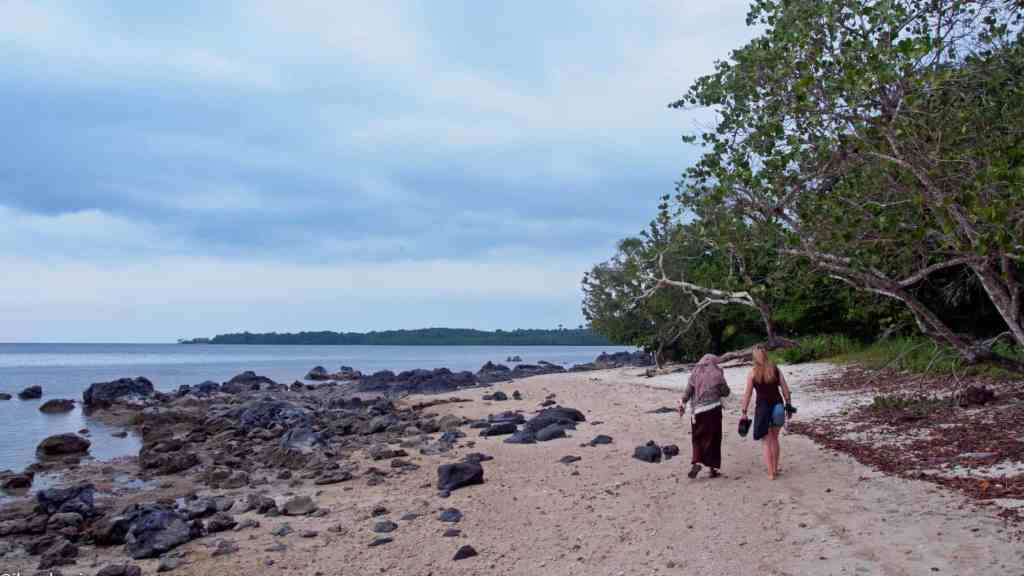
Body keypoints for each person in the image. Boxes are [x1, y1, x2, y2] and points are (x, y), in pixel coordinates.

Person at [740, 345, 794, 480]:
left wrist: (744, 412)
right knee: (775, 439)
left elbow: (747, 394)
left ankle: (770, 473)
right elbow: (785, 389)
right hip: (778, 407)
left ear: (754, 358)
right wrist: (788, 404)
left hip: (762, 409)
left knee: (766, 441)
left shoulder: (752, 373)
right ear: (766, 355)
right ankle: (775, 469)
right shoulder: (775, 369)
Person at [678, 354, 731, 479]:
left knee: (697, 438)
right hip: (713, 411)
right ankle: (712, 469)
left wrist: (682, 403)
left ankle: (696, 462)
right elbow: (726, 392)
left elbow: (687, 393)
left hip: (697, 412)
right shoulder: (717, 374)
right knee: (714, 439)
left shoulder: (694, 373)